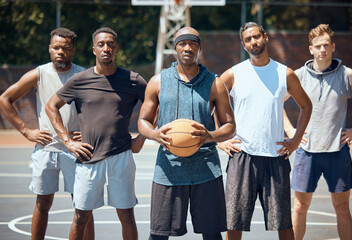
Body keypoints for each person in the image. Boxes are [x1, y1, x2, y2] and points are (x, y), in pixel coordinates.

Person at [45, 27, 147, 240]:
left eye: (110, 44)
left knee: (127, 216)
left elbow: (155, 104)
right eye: (101, 44)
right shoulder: (80, 79)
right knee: (80, 217)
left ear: (116, 48)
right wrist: (67, 141)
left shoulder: (133, 80)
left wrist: (142, 137)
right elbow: (51, 106)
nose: (106, 48)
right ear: (94, 49)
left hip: (121, 156)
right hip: (88, 158)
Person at [138, 27, 236, 240]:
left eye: (193, 43)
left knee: (212, 234)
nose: (188, 47)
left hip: (206, 168)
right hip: (168, 168)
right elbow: (143, 121)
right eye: (183, 43)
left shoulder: (214, 83)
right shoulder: (158, 81)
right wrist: (154, 135)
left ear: (199, 48)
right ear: (175, 48)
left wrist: (210, 136)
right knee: (159, 234)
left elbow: (230, 126)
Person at [218, 22, 312, 240]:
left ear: (265, 37)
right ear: (243, 44)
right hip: (242, 157)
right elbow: (210, 103)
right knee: (234, 223)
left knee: (283, 224)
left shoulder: (284, 73)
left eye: (256, 37)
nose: (254, 42)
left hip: (275, 157)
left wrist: (296, 140)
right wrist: (218, 140)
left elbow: (306, 106)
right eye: (248, 39)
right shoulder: (234, 74)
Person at [0, 28, 95, 240]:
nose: (60, 52)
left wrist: (87, 132)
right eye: (56, 47)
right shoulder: (39, 74)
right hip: (46, 149)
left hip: (76, 151)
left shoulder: (83, 75)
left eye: (65, 48)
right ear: (50, 49)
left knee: (83, 206)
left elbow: (98, 108)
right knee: (42, 204)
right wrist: (26, 131)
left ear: (73, 51)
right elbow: (4, 99)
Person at [284, 24, 352, 240]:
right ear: (311, 49)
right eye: (318, 46)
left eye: (326, 45)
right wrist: (290, 131)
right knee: (299, 207)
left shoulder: (346, 75)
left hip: (337, 152)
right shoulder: (299, 75)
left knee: (342, 208)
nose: (322, 49)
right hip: (307, 152)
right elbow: (276, 102)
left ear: (333, 47)